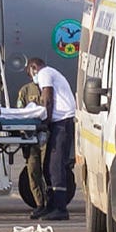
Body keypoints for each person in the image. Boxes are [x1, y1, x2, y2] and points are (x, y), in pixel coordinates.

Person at [29, 57, 77, 221]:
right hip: (60, 122)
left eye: (30, 74)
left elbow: (47, 99)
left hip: (61, 123)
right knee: (48, 165)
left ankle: (60, 208)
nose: (33, 79)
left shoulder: (44, 73)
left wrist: (45, 121)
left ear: (33, 68)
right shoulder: (52, 73)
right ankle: (50, 206)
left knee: (56, 167)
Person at [17, 81, 48, 217]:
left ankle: (51, 203)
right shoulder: (25, 90)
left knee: (48, 171)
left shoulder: (50, 89)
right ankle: (40, 204)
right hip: (31, 137)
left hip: (47, 135)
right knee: (33, 171)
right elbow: (19, 112)